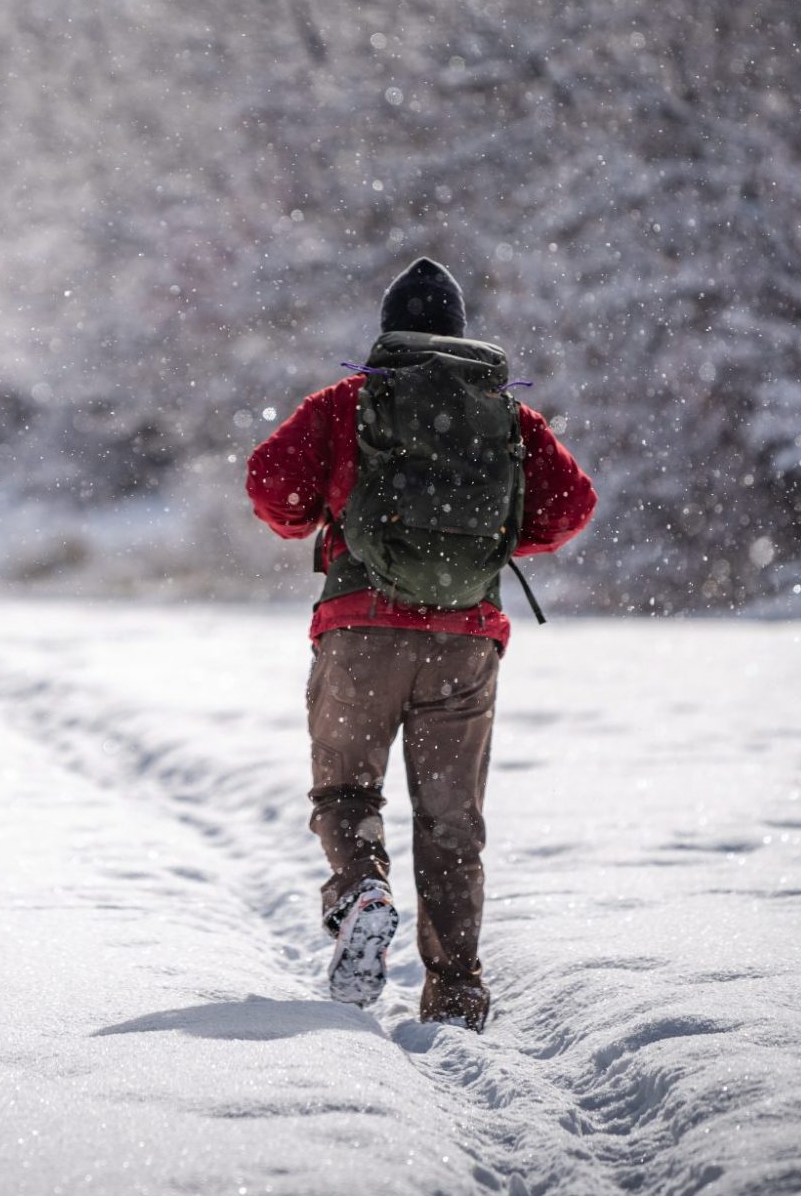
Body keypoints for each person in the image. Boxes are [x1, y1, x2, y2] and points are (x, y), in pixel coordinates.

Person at [245, 257, 596, 1030]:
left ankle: (361, 887)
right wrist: (487, 546)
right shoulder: (507, 415)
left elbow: (271, 481)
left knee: (346, 790)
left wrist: (312, 522)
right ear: (463, 334)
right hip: (465, 641)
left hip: (359, 629)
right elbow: (573, 506)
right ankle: (457, 993)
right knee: (450, 822)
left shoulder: (349, 402)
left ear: (386, 331)